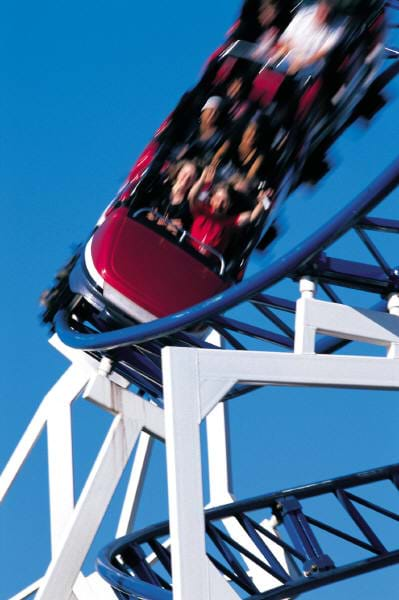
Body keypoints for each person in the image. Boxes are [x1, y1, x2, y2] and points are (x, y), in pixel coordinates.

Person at [188, 166, 271, 256]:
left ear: (229, 205)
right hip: (187, 252)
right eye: (218, 198)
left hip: (207, 263)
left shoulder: (229, 222)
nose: (219, 203)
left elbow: (251, 217)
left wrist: (263, 202)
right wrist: (203, 179)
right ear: (212, 198)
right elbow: (192, 196)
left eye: (224, 201)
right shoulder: (201, 210)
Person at [272, 0, 345, 74]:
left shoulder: (338, 28)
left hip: (309, 66)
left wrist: (301, 63)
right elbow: (283, 40)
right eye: (322, 10)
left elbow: (320, 54)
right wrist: (286, 53)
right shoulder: (304, 13)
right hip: (287, 56)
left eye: (327, 12)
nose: (324, 15)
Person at [148, 160, 199, 233]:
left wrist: (178, 229)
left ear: (194, 182)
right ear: (178, 172)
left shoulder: (189, 206)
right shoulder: (160, 189)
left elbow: (184, 230)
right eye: (185, 173)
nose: (186, 178)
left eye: (191, 177)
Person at [177, 96, 225, 165]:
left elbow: (208, 158)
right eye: (210, 110)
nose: (212, 115)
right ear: (203, 111)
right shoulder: (191, 125)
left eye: (216, 112)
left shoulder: (218, 136)